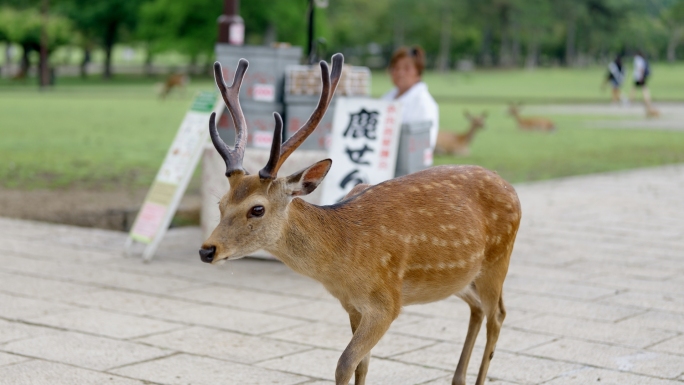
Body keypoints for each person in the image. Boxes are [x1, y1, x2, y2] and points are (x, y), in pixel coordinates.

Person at [381, 46, 439, 161]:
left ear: (418, 73)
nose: (400, 73)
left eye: (406, 68)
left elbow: (425, 144)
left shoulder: (424, 103)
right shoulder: (386, 98)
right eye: (396, 68)